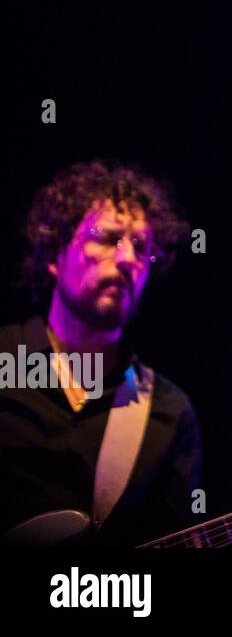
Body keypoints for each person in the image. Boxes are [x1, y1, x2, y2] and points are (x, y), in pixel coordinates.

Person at [1, 160, 200, 546]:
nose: (128, 259)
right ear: (55, 253)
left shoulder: (169, 412)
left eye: (142, 247)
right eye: (108, 237)